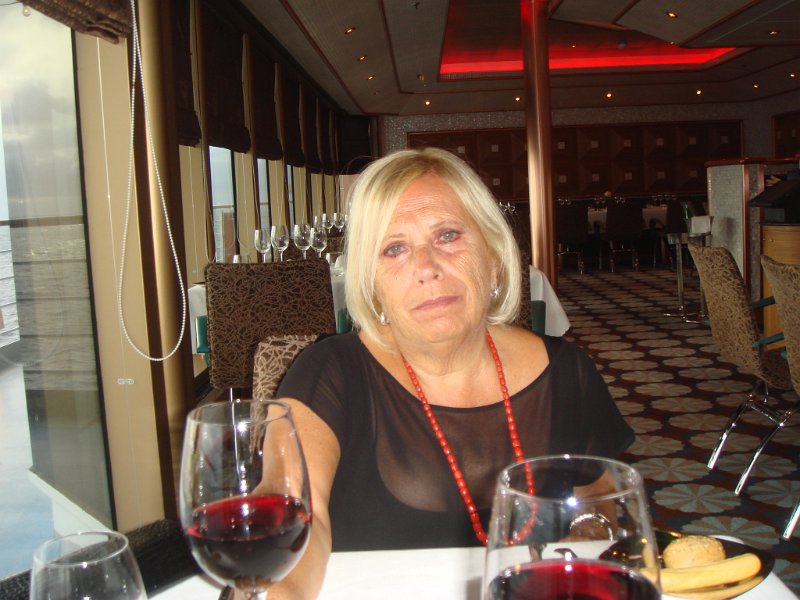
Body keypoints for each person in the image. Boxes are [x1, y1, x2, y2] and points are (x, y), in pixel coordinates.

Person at [265, 147, 634, 599]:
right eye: (395, 248)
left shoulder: (567, 372)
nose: (426, 268)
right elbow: (295, 516)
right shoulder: (328, 372)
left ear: (492, 255)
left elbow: (599, 496)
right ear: (372, 283)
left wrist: (587, 537)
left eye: (447, 235)